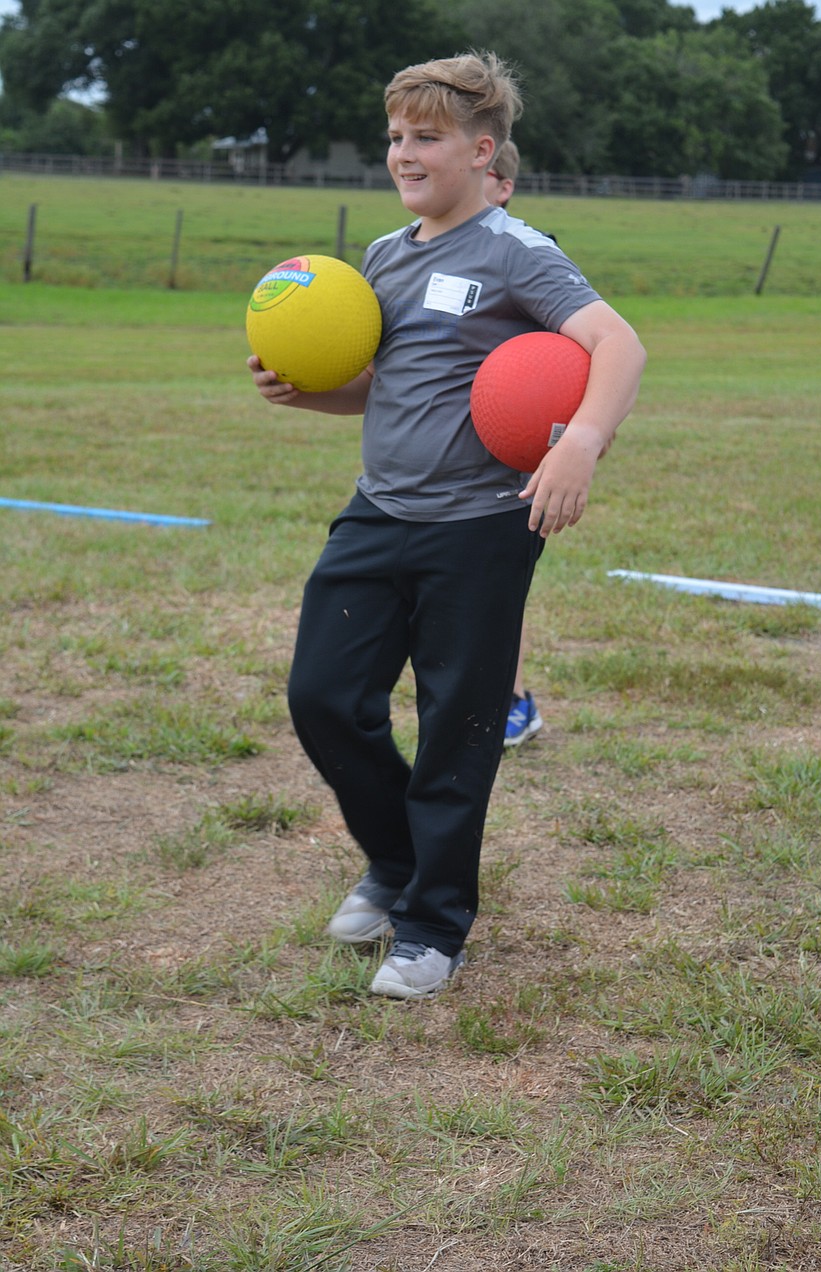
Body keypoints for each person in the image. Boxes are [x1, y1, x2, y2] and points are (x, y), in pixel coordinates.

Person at [248, 51, 646, 1000]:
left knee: (457, 728)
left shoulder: (517, 252)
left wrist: (579, 445)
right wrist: (308, 396)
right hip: (379, 512)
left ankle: (433, 924)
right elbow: (385, 388)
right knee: (323, 697)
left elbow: (618, 345)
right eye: (395, 136)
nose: (403, 152)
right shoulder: (384, 260)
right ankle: (395, 864)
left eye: (425, 136)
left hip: (481, 526)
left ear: (482, 149)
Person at [484, 139, 545, 748]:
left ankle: (515, 699)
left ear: (501, 184)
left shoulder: (526, 255)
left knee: (500, 603)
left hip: (506, 479)